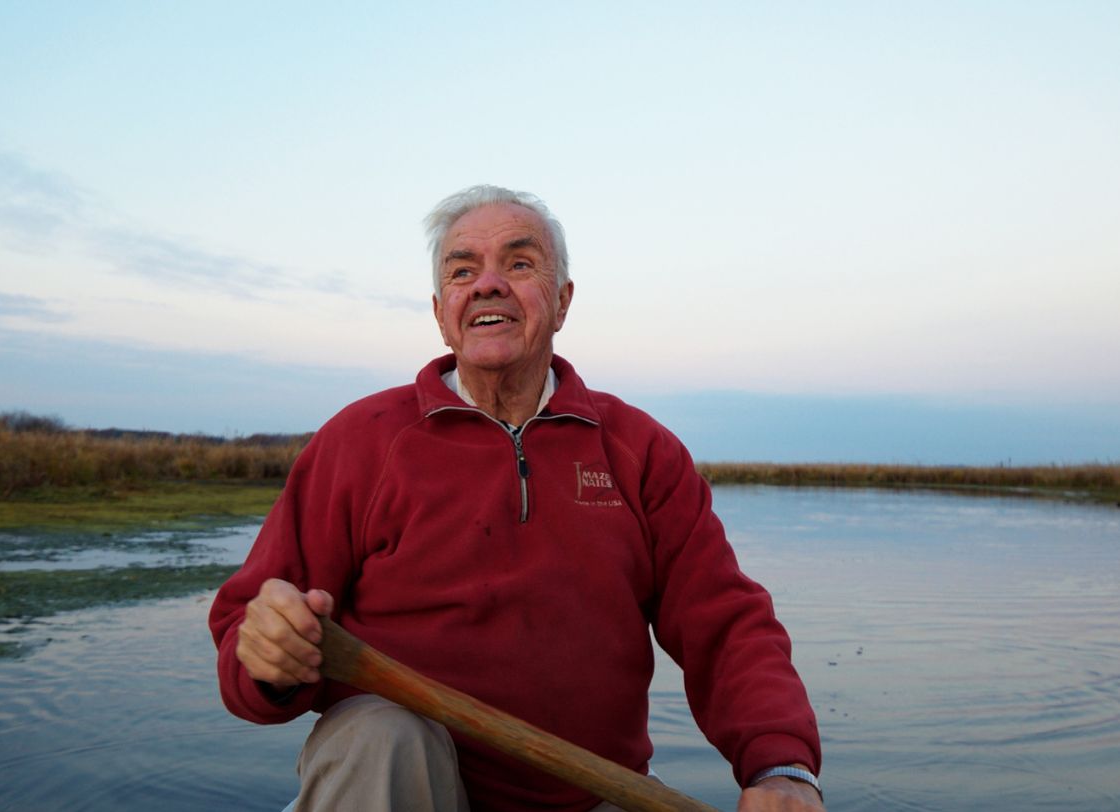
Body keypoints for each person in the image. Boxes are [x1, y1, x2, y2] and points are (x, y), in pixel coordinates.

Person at [209, 185, 824, 812]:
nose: (487, 285)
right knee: (382, 735)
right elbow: (244, 630)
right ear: (441, 311)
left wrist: (782, 767)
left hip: (588, 793)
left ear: (562, 303)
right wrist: (266, 656)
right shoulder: (361, 441)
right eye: (462, 270)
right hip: (394, 789)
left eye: (520, 263)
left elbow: (725, 625)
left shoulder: (640, 452)